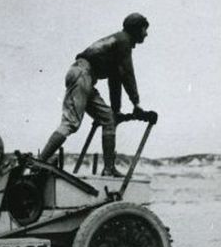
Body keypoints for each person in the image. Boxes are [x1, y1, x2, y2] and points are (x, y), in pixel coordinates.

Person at [39, 13, 150, 176]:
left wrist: (116, 111)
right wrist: (136, 104)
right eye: (144, 29)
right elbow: (128, 74)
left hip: (83, 76)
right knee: (71, 123)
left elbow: (116, 81)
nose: (146, 34)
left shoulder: (118, 42)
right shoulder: (124, 41)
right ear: (136, 29)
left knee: (108, 118)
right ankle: (40, 161)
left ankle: (108, 168)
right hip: (82, 74)